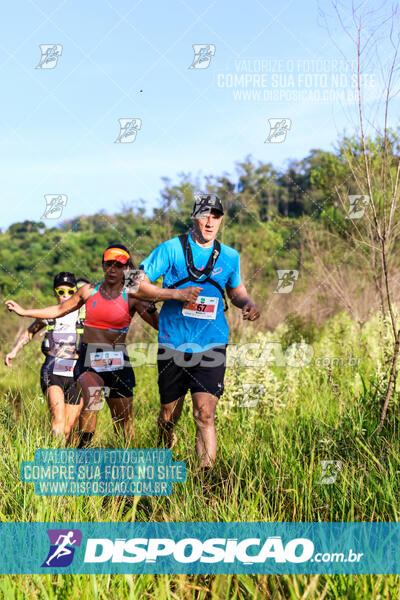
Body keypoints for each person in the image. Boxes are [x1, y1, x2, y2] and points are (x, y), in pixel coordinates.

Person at [5, 244, 202, 448]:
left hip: (118, 359)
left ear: (126, 269)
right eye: (108, 265)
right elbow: (58, 309)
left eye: (118, 266)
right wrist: (24, 311)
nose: (112, 270)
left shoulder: (133, 296)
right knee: (93, 396)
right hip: (90, 357)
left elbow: (162, 326)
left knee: (124, 424)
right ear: (102, 266)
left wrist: (192, 338)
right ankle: (83, 450)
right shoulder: (88, 291)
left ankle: (126, 464)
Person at [139, 193, 260, 468]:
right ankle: (162, 455)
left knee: (205, 414)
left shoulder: (230, 256)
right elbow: (136, 285)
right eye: (204, 215)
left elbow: (236, 289)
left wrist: (248, 303)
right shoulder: (170, 249)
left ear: (221, 219)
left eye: (215, 215)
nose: (209, 221)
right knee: (169, 415)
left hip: (212, 343)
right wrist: (175, 295)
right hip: (174, 343)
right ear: (194, 217)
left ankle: (206, 481)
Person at [5, 272, 84, 443]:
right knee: (58, 420)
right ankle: (54, 461)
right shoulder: (49, 314)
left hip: (76, 371)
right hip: (53, 368)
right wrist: (14, 351)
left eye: (70, 292)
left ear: (76, 291)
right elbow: (30, 332)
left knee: (70, 428)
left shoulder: (84, 314)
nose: (65, 296)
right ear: (55, 292)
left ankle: (69, 464)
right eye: (61, 292)